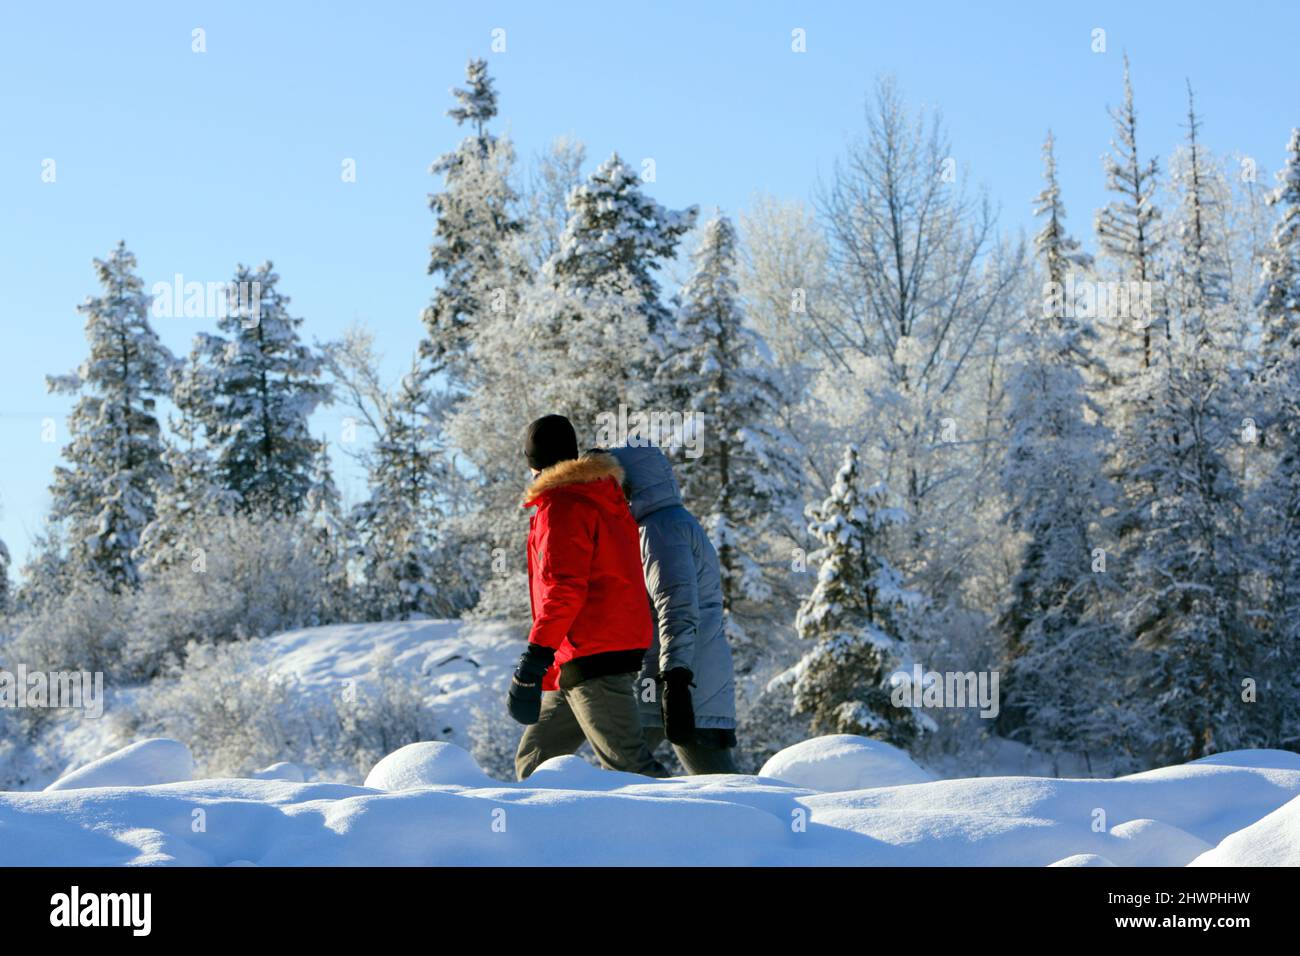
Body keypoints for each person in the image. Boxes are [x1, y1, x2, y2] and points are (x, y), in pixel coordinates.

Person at [508, 415, 668, 780]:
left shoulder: (561, 505)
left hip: (594, 653)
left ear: (533, 464)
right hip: (585, 652)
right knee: (534, 765)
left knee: (632, 771)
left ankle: (709, 826)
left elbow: (565, 589)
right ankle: (554, 836)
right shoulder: (599, 495)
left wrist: (533, 661)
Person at [610, 444, 740, 774]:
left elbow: (677, 606)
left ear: (631, 485)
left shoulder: (659, 530)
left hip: (685, 677)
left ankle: (768, 823)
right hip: (672, 674)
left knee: (720, 785)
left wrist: (677, 680)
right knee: (626, 772)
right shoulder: (665, 524)